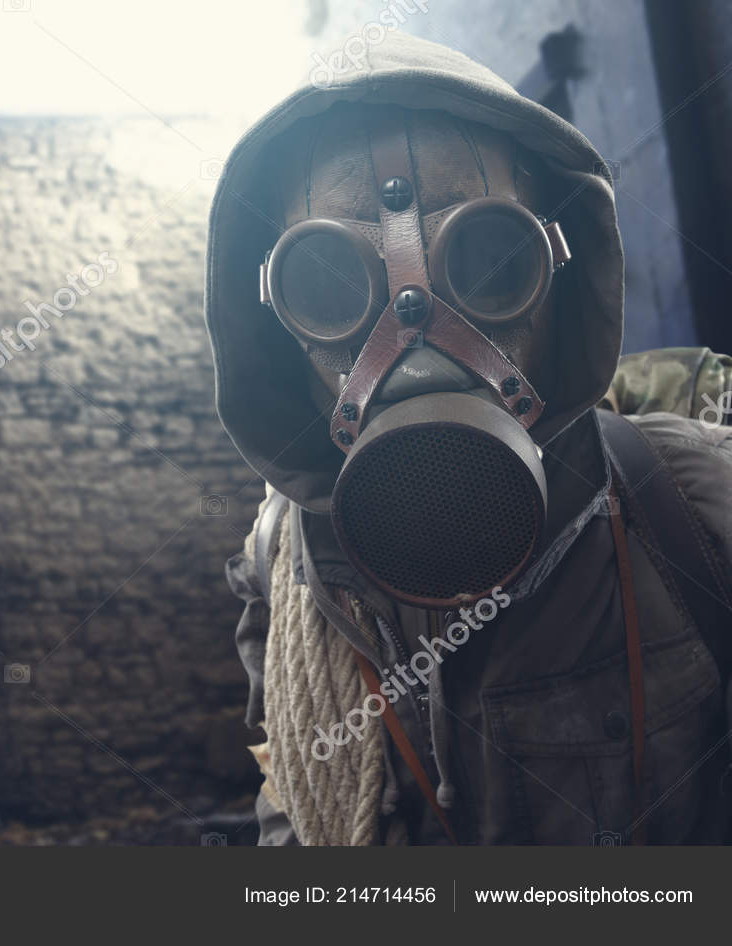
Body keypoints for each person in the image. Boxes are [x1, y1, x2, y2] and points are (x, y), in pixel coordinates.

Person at [207, 31, 732, 844]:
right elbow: (294, 820)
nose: (413, 330)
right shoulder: (286, 578)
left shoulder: (693, 512)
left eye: (489, 260)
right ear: (276, 329)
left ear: (562, 271)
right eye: (331, 283)